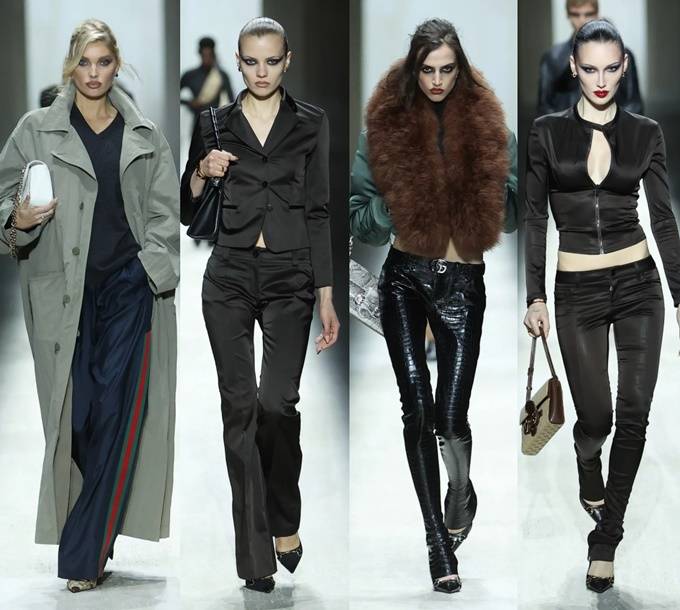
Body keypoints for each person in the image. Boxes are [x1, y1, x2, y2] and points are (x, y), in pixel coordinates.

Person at [0, 19, 179, 593]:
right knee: (75, 419)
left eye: (103, 62)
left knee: (115, 416)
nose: (94, 73)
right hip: (64, 292)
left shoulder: (144, 133)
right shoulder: (35, 131)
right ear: (70, 66)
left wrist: (151, 268)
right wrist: (16, 218)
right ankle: (95, 535)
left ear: (116, 65)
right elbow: (4, 198)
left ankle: (85, 555)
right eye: (85, 62)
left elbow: (164, 213)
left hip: (129, 287)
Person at [350, 18, 517, 594]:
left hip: (463, 283)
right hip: (403, 278)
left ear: (461, 69)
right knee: (416, 409)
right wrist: (397, 201)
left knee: (451, 417)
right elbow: (360, 219)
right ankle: (436, 540)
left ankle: (461, 489)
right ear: (413, 70)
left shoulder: (489, 128)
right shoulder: (384, 128)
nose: (438, 80)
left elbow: (512, 213)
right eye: (427, 70)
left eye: (447, 69)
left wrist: (483, 185)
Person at [179, 17, 339, 594]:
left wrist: (326, 294)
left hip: (290, 276)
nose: (262, 71)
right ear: (239, 61)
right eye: (251, 61)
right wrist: (202, 171)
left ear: (287, 60)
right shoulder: (214, 123)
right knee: (240, 410)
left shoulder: (311, 123)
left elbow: (319, 210)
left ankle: (284, 516)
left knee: (277, 404)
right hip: (228, 275)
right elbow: (186, 207)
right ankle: (255, 559)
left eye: (272, 60)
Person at [524, 19, 680, 594]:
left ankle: (605, 539)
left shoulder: (645, 133)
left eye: (611, 68)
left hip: (640, 286)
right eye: (589, 68)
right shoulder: (546, 133)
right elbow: (534, 217)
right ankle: (586, 458)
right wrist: (535, 294)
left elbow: (662, 218)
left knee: (634, 415)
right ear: (573, 68)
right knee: (597, 419)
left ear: (624, 67)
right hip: (577, 292)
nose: (601, 79)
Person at [537, 0, 643, 115]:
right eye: (575, 14)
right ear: (568, 15)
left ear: (597, 13)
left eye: (588, 14)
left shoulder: (623, 55)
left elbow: (634, 105)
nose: (582, 20)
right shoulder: (552, 58)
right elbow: (544, 107)